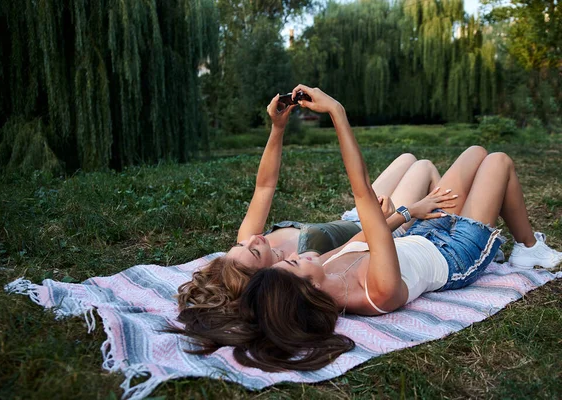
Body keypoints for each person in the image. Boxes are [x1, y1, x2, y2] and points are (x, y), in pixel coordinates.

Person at [175, 85, 562, 372]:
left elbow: (363, 236)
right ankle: (527, 248)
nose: (295, 256)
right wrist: (338, 114)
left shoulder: (319, 267)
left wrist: (411, 212)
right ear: (305, 289)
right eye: (291, 265)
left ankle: (503, 227)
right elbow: (364, 201)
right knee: (497, 161)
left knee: (476, 153)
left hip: (421, 234)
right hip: (456, 252)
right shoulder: (375, 293)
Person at [175, 94, 443, 315]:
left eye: (240, 244)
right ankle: (448, 229)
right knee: (424, 167)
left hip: (355, 216)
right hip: (379, 232)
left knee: (407, 157)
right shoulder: (298, 271)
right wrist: (403, 216)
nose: (254, 239)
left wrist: (277, 127)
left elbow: (264, 186)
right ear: (266, 278)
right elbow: (357, 246)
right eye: (254, 251)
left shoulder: (252, 241)